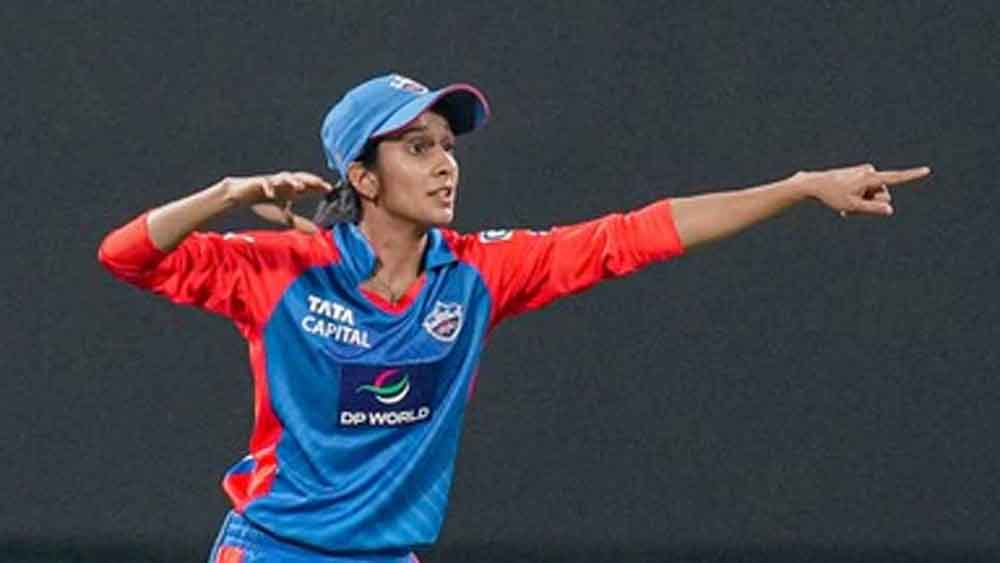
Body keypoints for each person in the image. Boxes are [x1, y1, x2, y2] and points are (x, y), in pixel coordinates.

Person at [97, 72, 930, 562]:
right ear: (364, 177)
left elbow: (634, 234)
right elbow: (125, 255)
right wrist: (226, 194)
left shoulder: (477, 275)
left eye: (447, 145)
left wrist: (797, 187)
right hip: (274, 550)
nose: (445, 164)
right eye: (417, 147)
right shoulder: (280, 270)